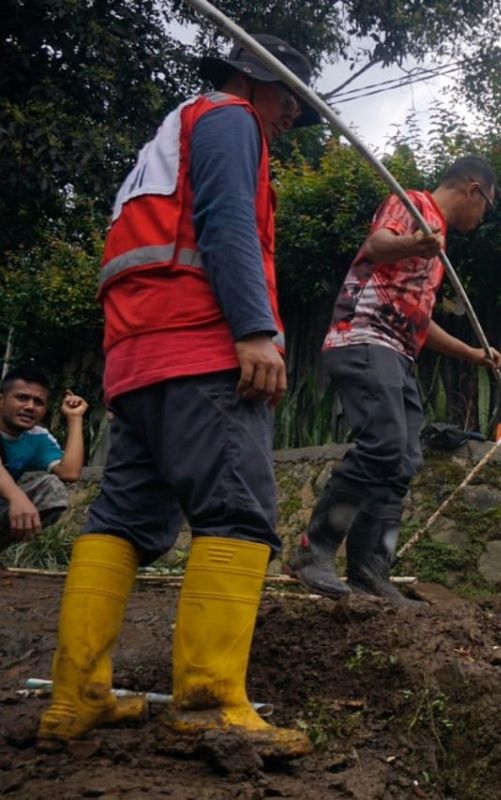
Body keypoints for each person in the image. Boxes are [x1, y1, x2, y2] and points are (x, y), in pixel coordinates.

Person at [37, 34, 321, 757]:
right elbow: (226, 223)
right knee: (239, 512)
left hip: (135, 356)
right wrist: (256, 329)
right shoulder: (231, 121)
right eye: (289, 97)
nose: (291, 114)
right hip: (201, 348)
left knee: (123, 519)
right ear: (254, 82)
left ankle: (76, 696)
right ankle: (207, 704)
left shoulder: (168, 138)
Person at [288, 156, 501, 604]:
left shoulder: (435, 250)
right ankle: (315, 550)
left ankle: (370, 571)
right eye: (486, 208)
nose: (482, 220)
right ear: (473, 189)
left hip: (398, 354)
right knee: (383, 444)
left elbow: (419, 321)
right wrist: (413, 244)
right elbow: (376, 245)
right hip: (363, 338)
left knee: (403, 459)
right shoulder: (414, 206)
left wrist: (472, 354)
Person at [0, 367, 87, 552]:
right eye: (22, 398)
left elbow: (69, 472)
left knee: (51, 488)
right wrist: (17, 497)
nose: (30, 407)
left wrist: (75, 418)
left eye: (38, 402)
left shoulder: (37, 437)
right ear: (1, 400)